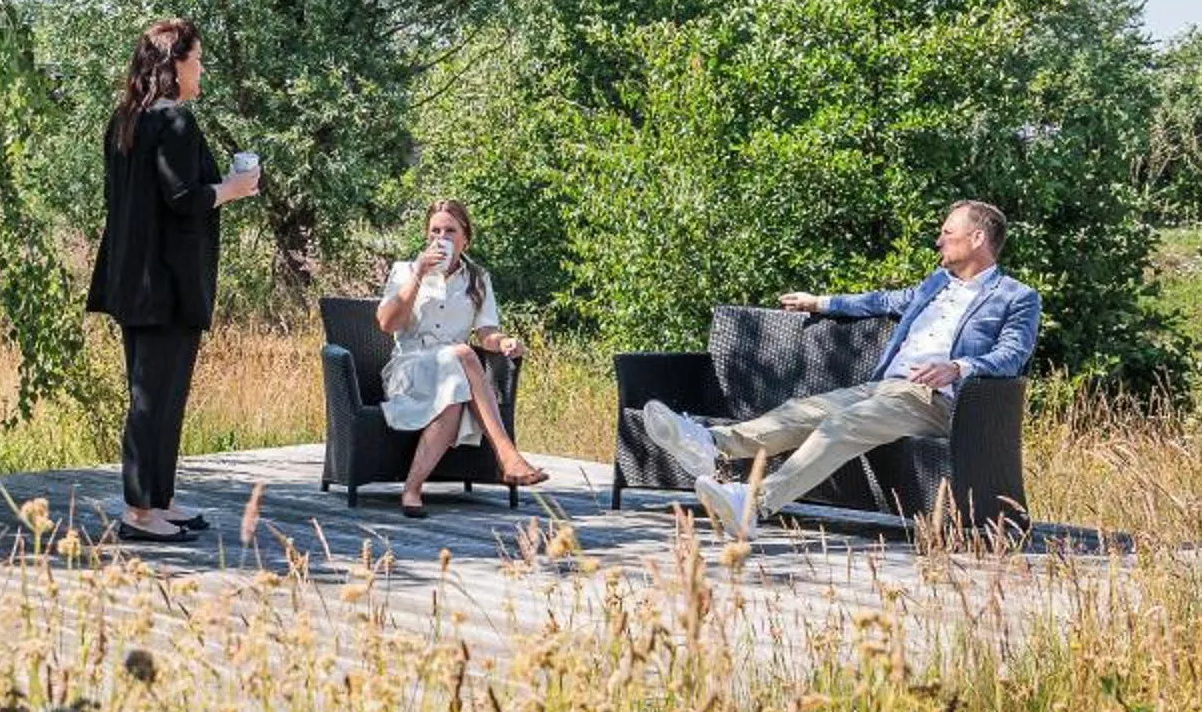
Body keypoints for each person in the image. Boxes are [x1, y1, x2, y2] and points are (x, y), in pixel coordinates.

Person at [642, 200, 1039, 539]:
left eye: (947, 233)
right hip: (885, 389)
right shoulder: (936, 284)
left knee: (843, 424)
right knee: (803, 411)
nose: (938, 241)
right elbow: (882, 300)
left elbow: (1013, 355)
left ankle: (754, 504)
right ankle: (712, 443)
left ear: (977, 238)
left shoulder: (1016, 297)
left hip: (938, 402)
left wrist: (958, 366)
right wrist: (821, 302)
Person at [84, 17, 259, 543]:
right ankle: (139, 512)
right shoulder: (174, 121)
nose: (201, 70)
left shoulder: (125, 121)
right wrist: (232, 188)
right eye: (196, 60)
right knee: (153, 399)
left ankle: (158, 499)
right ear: (174, 64)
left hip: (131, 277)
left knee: (158, 394)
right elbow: (183, 198)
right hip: (166, 282)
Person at [371, 198, 551, 517]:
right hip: (410, 367)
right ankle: (507, 455)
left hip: (452, 373)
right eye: (435, 231)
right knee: (464, 354)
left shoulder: (478, 278)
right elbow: (387, 324)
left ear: (465, 238)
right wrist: (419, 273)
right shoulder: (405, 271)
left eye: (450, 231)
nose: (441, 237)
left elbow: (487, 333)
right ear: (426, 235)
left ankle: (411, 490)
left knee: (454, 396)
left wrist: (505, 342)